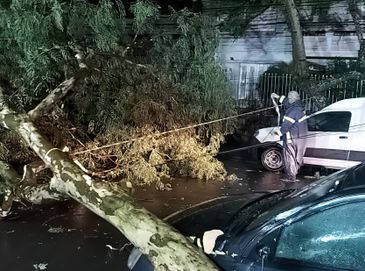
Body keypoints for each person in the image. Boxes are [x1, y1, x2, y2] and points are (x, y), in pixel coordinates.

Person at [271, 91, 307, 182]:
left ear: (294, 99)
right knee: (297, 155)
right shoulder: (299, 106)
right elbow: (286, 101)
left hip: (292, 137)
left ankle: (291, 176)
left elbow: (286, 125)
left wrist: (278, 134)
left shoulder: (292, 111)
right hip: (301, 136)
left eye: (290, 97)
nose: (288, 99)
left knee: (289, 155)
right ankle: (293, 173)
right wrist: (276, 96)